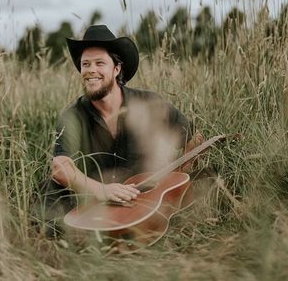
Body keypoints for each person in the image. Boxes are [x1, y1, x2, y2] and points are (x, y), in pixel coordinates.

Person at [43, 25, 203, 235]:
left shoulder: (149, 104)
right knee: (48, 192)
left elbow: (193, 138)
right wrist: (102, 190)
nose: (91, 70)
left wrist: (175, 180)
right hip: (94, 202)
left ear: (116, 69)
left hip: (142, 202)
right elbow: (60, 167)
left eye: (100, 63)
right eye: (85, 64)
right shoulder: (72, 115)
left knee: (205, 181)